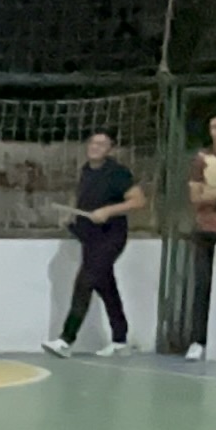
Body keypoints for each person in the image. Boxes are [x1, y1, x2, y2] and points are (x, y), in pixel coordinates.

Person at [43, 128, 144, 357]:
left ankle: (66, 340)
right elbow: (80, 197)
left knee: (85, 282)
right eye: (92, 143)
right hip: (90, 238)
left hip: (111, 237)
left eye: (101, 144)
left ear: (110, 149)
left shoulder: (118, 173)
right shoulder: (86, 171)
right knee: (106, 286)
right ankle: (120, 339)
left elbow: (138, 201)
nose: (95, 147)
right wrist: (69, 215)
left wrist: (108, 211)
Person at [185, 111, 216, 358]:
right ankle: (199, 340)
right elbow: (196, 197)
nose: (214, 132)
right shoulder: (202, 159)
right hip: (208, 228)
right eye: (211, 127)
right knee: (203, 284)